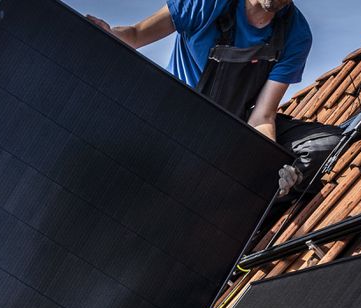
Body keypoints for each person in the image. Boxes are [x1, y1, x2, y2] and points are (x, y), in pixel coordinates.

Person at [89, 1, 313, 194]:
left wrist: (267, 167)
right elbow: (136, 34)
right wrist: (108, 34)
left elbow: (262, 116)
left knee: (325, 146)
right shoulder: (206, 3)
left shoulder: (295, 33)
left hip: (228, 134)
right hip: (170, 123)